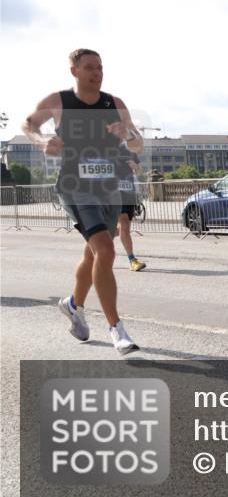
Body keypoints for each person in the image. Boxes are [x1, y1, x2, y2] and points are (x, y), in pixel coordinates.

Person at [22, 48, 143, 355]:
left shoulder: (114, 104)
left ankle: (73, 305)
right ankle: (117, 329)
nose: (97, 72)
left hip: (108, 186)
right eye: (90, 67)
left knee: (93, 255)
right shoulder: (58, 101)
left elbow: (138, 144)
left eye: (100, 67)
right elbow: (28, 124)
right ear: (74, 71)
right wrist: (41, 140)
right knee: (105, 249)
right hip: (75, 185)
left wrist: (127, 133)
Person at [116, 144, 146, 271]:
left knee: (121, 229)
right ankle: (132, 259)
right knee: (124, 225)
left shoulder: (129, 150)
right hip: (112, 194)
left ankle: (97, 243)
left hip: (129, 193)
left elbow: (140, 172)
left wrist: (135, 167)